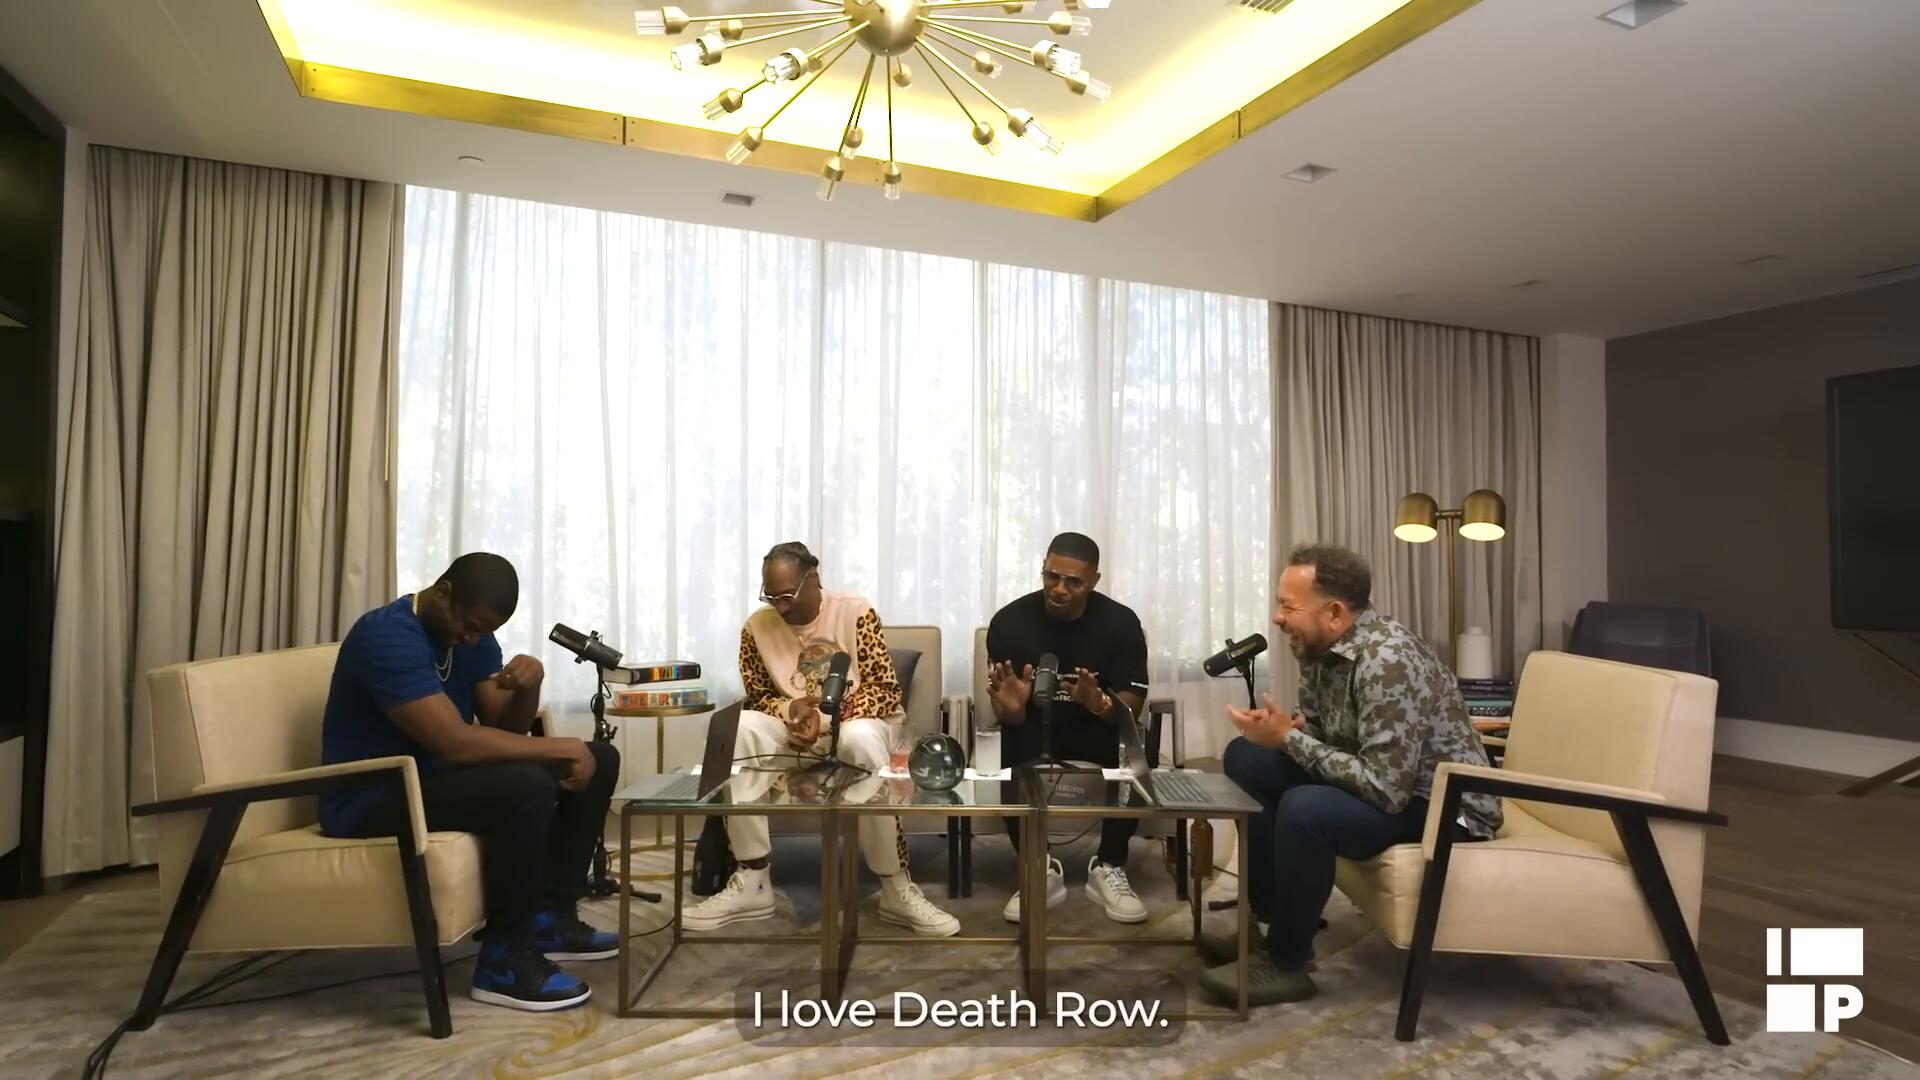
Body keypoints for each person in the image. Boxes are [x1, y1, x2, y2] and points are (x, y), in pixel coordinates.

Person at [1200, 543, 1502, 1007]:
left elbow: (1386, 789)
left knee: (1306, 809)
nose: (1277, 618)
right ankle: (1267, 925)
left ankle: (1287, 963)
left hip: (1445, 807)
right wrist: (1282, 732)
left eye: (1288, 607)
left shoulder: (1387, 660)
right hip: (1388, 784)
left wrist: (1290, 739)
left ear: (1335, 613)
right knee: (1246, 756)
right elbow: (1324, 734)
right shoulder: (1320, 649)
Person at [319, 552, 619, 1013]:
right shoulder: (386, 636)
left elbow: (504, 727)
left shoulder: (472, 635)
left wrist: (530, 685)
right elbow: (456, 743)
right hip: (370, 795)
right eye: (470, 627)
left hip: (432, 779)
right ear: (443, 593)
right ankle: (503, 961)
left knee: (600, 758)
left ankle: (548, 918)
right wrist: (562, 747)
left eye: (484, 632)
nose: (473, 639)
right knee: (525, 787)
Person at [681, 542, 959, 937]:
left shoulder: (855, 612)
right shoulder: (755, 628)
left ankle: (895, 886)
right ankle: (753, 878)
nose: (780, 607)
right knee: (738, 727)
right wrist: (791, 711)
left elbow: (885, 691)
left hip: (858, 726)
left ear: (813, 577)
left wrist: (827, 718)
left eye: (787, 596)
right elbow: (760, 698)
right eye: (770, 597)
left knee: (860, 740)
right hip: (794, 732)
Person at [985, 532, 1150, 925]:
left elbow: (1131, 707)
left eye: (1073, 582)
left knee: (1133, 748)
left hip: (1097, 728)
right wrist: (1011, 709)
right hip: (1034, 728)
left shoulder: (1121, 623)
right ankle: (1037, 865)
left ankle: (1109, 865)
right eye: (1052, 576)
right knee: (1005, 746)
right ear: (1043, 570)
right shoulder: (1009, 622)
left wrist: (1100, 703)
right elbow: (1009, 713)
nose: (1059, 589)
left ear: (1094, 580)